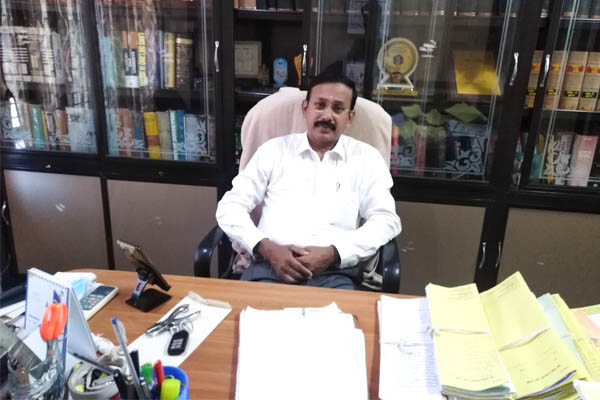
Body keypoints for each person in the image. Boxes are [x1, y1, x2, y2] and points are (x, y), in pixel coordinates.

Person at [216, 73, 401, 289]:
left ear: (350, 117)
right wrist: (266, 248)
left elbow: (386, 220)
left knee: (339, 312)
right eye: (320, 105)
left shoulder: (366, 159)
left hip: (335, 274)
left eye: (338, 109)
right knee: (250, 311)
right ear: (305, 109)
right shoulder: (273, 151)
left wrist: (334, 252)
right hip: (269, 268)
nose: (327, 115)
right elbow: (230, 207)